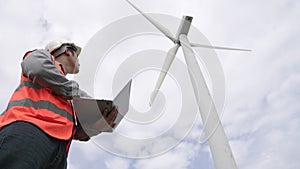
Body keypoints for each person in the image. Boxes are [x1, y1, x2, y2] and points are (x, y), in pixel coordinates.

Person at [0, 40, 118, 169]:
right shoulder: (42, 56)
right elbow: (37, 68)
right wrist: (78, 94)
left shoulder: (69, 96)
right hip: (30, 131)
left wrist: (97, 127)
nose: (78, 60)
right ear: (68, 51)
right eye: (77, 55)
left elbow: (77, 133)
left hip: (59, 151)